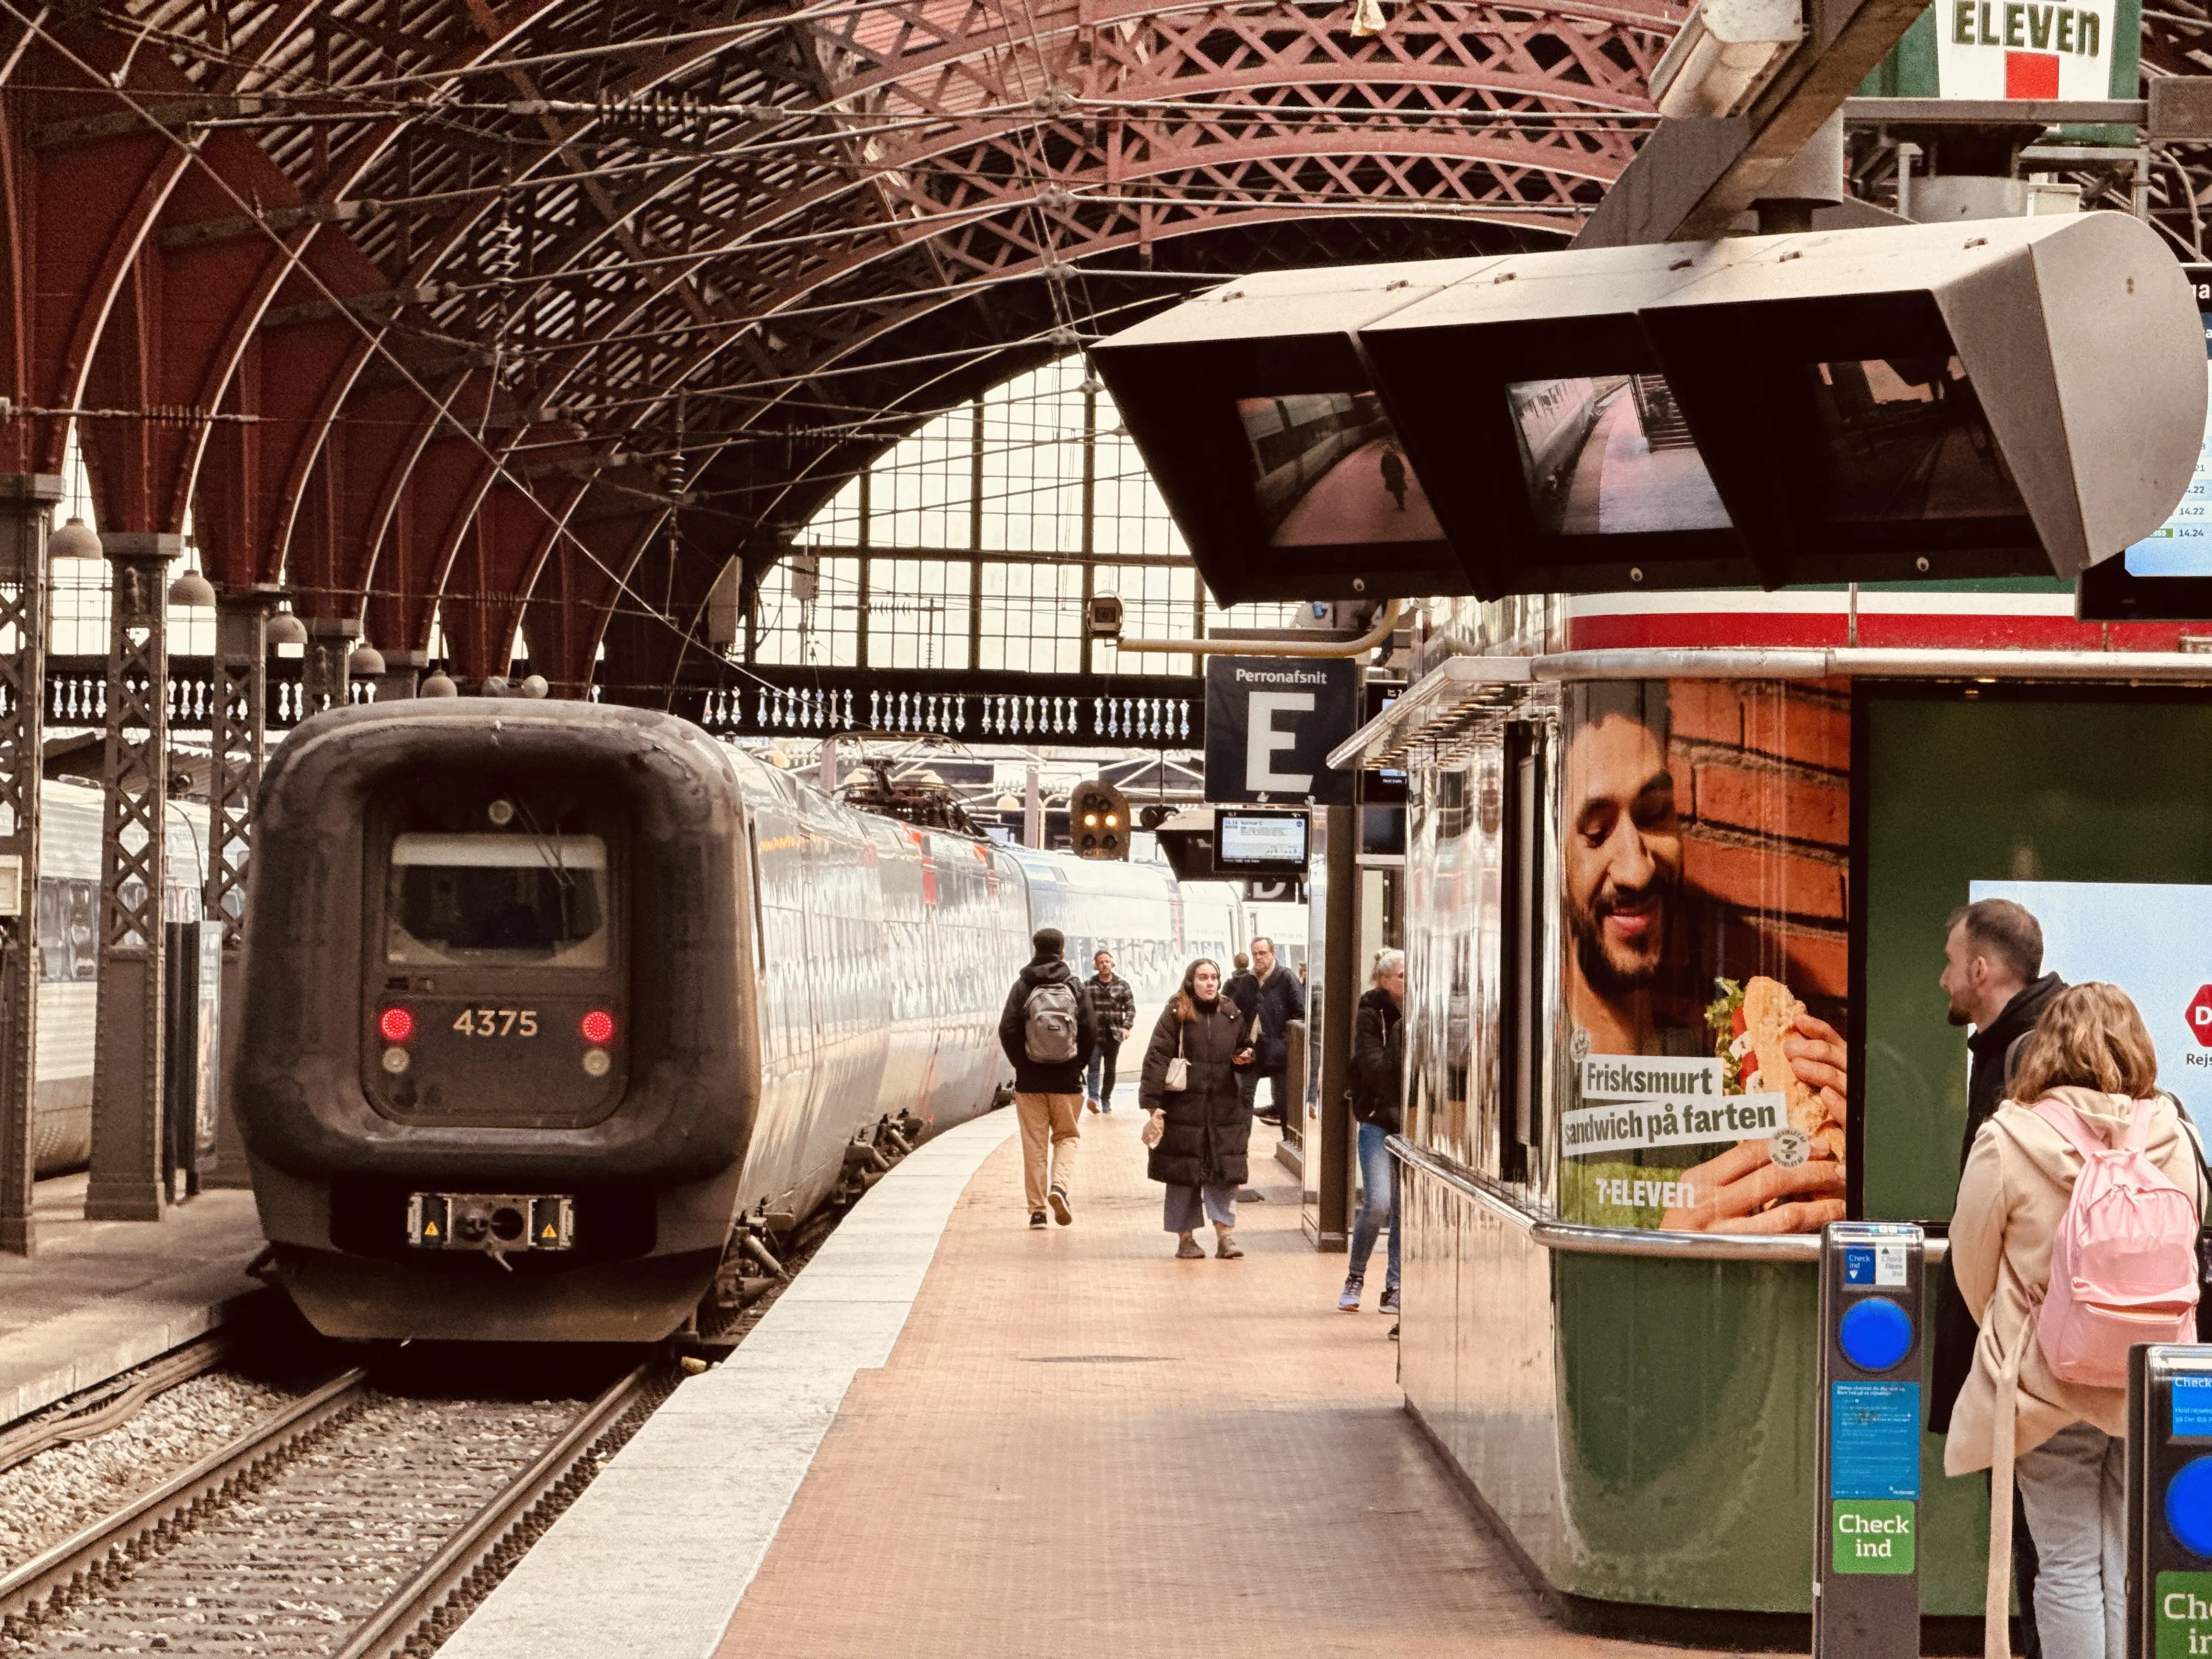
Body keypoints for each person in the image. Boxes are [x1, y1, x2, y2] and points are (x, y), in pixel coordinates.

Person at [1946, 983, 2207, 1659]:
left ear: (2046, 1046)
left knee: (2064, 1560)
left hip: (2047, 1384)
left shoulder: (2009, 1137)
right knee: (2124, 1558)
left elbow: (1971, 1269)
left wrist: (2023, 1330)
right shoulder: (2177, 1138)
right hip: (2147, 1385)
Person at [1560, 684, 1847, 1232]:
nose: (1638, 870)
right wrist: (1671, 1250)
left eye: (1654, 815)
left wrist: (1847, 1154)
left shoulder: (1719, 1071)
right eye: (1596, 832)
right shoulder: (1524, 1079)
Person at [1929, 898, 2065, 1656]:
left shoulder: (2025, 1057)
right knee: (2073, 1547)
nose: (1943, 979)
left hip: (2030, 1353)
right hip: (2077, 1341)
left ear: (1981, 970)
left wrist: (1995, 1324)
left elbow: (1981, 1239)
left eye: (1951, 964)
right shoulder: (2029, 1041)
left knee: (2049, 1549)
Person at [1141, 958, 1256, 1259]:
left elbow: (1244, 1047)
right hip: (1182, 1109)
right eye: (1203, 978)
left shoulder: (1231, 1014)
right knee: (1183, 1175)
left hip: (1223, 1108)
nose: (1210, 983)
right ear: (1191, 982)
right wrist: (1152, 1103)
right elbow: (1157, 1055)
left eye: (1214, 977)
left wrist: (1245, 1057)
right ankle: (1186, 1239)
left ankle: (1226, 1237)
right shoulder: (1177, 1012)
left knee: (1223, 1173)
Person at [997, 927, 1097, 1229]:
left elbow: (1007, 1029)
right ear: (1062, 951)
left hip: (1030, 1082)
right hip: (1067, 1081)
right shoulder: (1075, 986)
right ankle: (1059, 1188)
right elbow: (1090, 1031)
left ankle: (1038, 1212)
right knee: (1067, 1137)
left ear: (1035, 949)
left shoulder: (1022, 986)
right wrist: (1075, 1065)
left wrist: (1023, 1064)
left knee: (1034, 1145)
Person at [1341, 949, 1404, 1315]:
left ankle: (1394, 1286)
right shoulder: (1371, 1014)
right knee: (1379, 1201)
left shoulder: (1425, 1011)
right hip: (1377, 1120)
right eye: (1401, 976)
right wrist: (1400, 1034)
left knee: (1404, 1207)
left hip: (1411, 1123)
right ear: (1383, 981)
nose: (1409, 982)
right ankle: (1355, 1276)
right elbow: (1374, 1067)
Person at [1245, 936, 1303, 1127]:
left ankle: (1288, 1136)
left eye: (1262, 953)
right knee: (1244, 1095)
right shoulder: (1249, 980)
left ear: (1272, 954)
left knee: (1284, 1100)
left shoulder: (1286, 978)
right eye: (1255, 954)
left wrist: (1284, 1041)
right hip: (1253, 1047)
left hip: (1279, 1048)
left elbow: (1300, 1012)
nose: (1258, 957)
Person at [1084, 949, 1136, 1113]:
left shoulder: (1122, 985)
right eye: (1101, 962)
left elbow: (1130, 1009)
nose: (1105, 964)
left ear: (1112, 964)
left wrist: (1126, 1027)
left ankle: (1106, 1098)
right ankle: (1093, 1098)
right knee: (1093, 1066)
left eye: (1107, 961)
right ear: (1096, 966)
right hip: (1094, 1035)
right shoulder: (1088, 985)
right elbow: (1081, 1009)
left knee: (1110, 1069)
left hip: (1114, 1035)